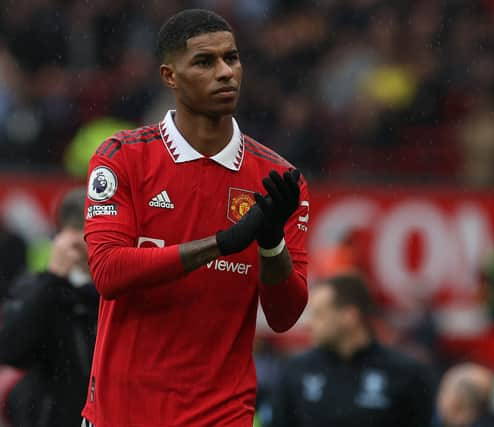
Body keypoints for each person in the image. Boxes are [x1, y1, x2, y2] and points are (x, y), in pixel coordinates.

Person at [80, 9, 310, 427]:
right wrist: (222, 243)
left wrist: (272, 243)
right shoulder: (122, 156)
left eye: (232, 58)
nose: (225, 73)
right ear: (170, 76)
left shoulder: (278, 179)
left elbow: (285, 316)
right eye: (205, 62)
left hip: (220, 415)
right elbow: (108, 271)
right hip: (122, 413)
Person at [269, 274, 434, 427]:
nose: (309, 324)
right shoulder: (295, 372)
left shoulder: (406, 374)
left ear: (349, 316)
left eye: (319, 315)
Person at [0, 188, 99, 427]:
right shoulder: (40, 290)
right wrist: (52, 281)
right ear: (73, 238)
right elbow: (10, 351)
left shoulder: (119, 290)